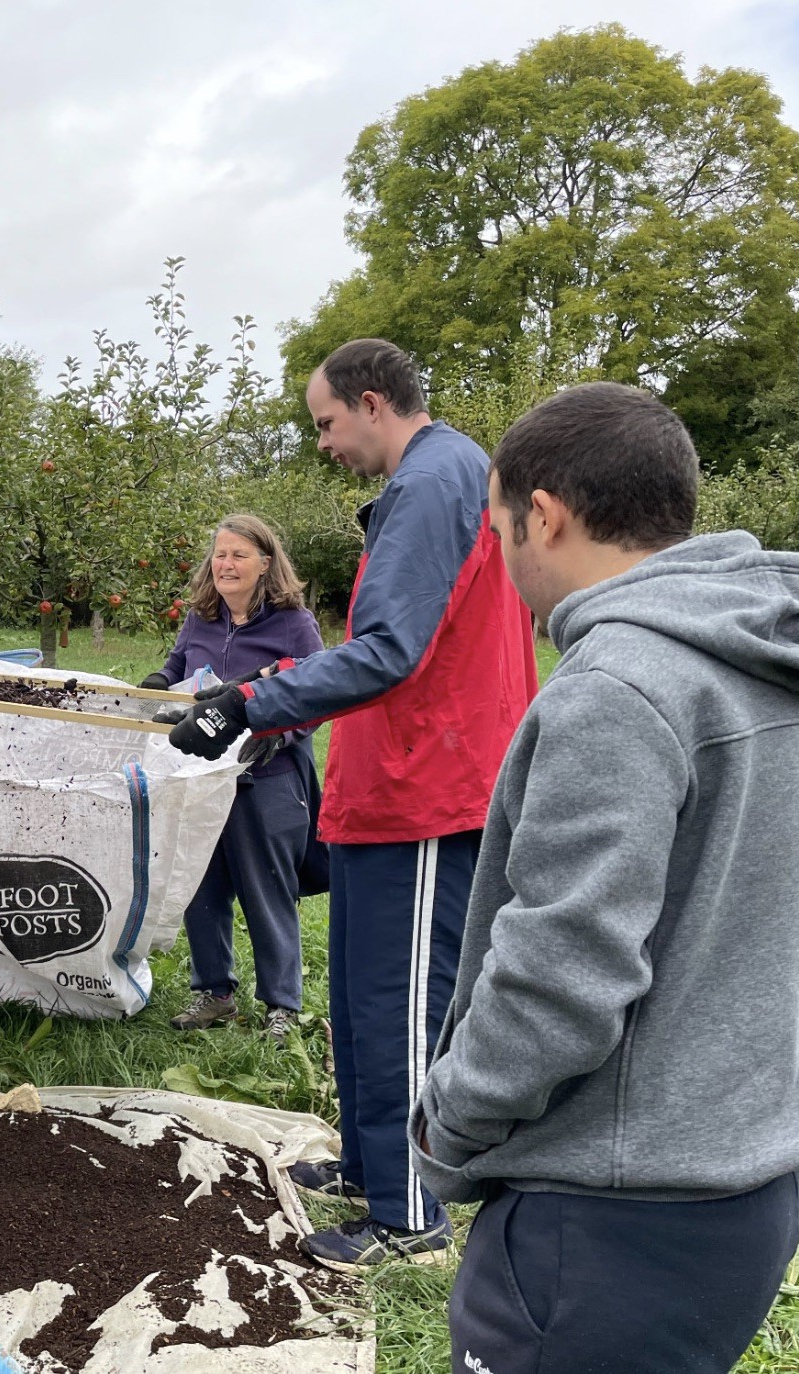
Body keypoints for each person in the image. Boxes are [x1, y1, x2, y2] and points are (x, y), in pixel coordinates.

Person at [408, 382, 799, 1374]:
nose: (508, 565)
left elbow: (560, 977)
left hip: (607, 1222)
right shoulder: (797, 670)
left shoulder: (616, 687)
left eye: (502, 531)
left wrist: (450, 1118)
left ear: (546, 515)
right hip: (743, 1194)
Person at [165, 339, 537, 1269]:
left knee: (404, 1000)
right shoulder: (440, 479)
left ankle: (410, 1216)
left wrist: (247, 703)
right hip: (394, 782)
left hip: (431, 785)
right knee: (365, 993)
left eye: (326, 423)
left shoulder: (432, 479)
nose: (324, 444)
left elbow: (387, 650)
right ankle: (375, 1167)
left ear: (374, 404)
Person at [143, 515, 322, 1044]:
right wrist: (154, 686)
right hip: (200, 776)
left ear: (265, 563)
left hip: (265, 774)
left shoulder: (293, 624)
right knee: (202, 883)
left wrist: (280, 735)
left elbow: (319, 691)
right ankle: (214, 993)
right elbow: (177, 667)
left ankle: (281, 1006)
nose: (225, 564)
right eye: (220, 554)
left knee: (266, 889)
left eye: (239, 555)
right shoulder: (202, 618)